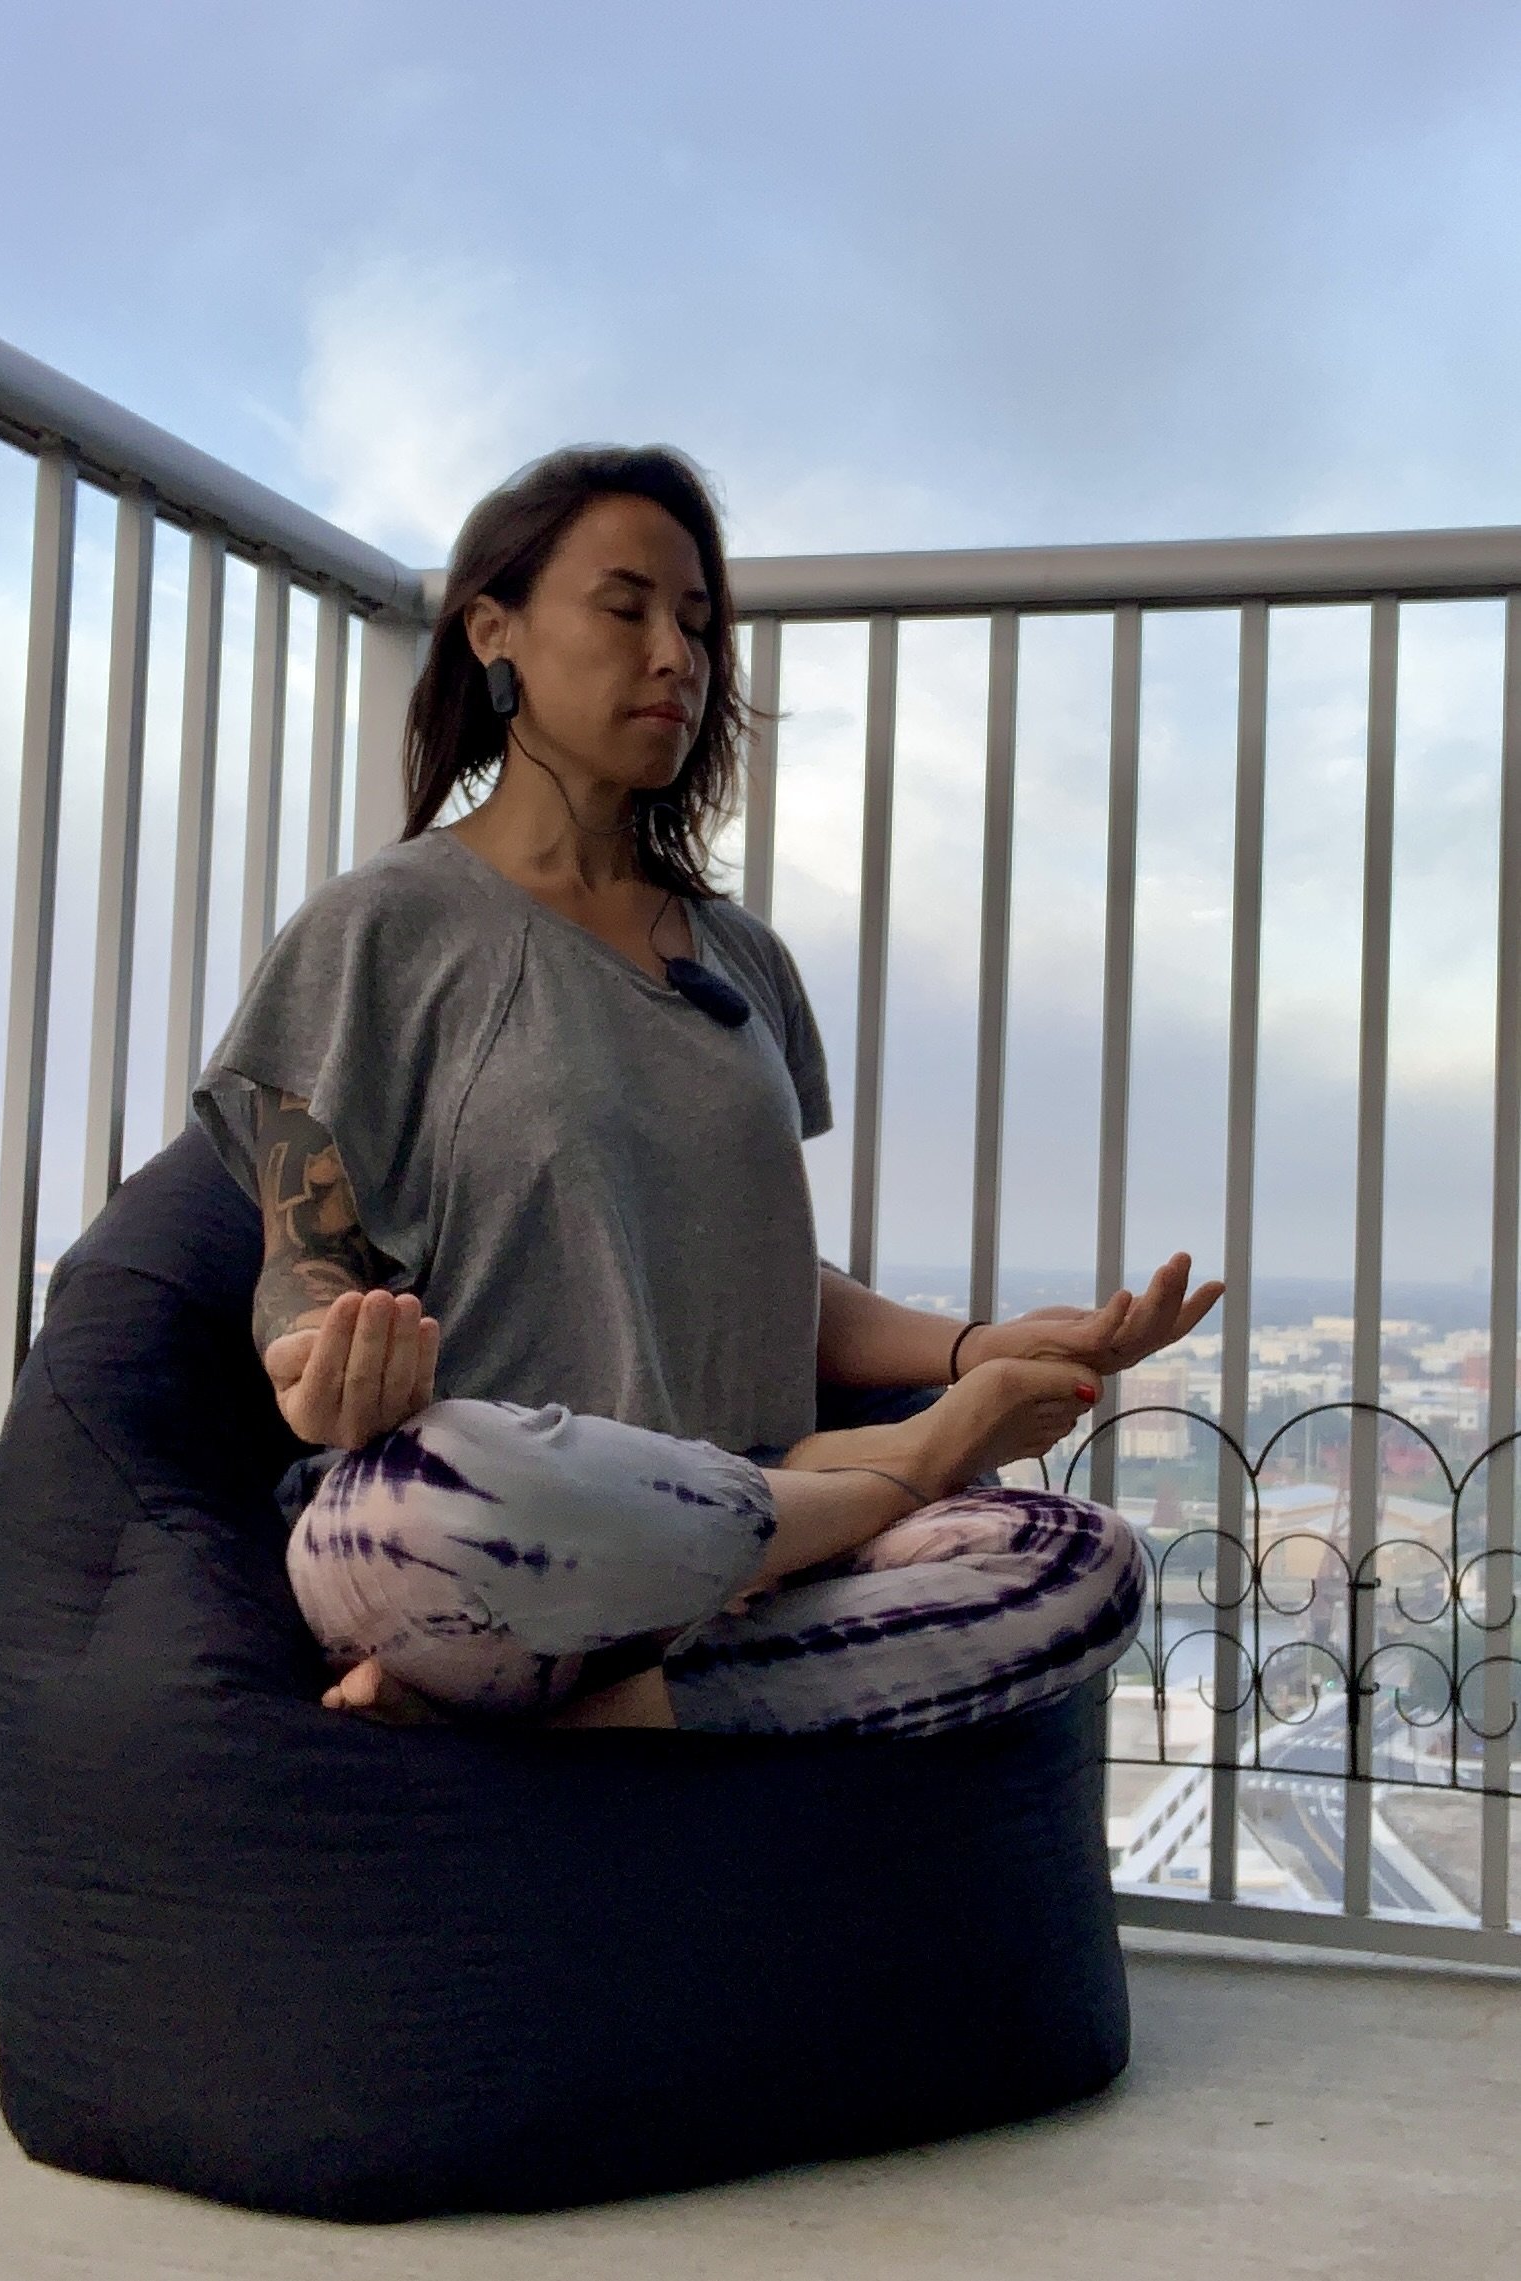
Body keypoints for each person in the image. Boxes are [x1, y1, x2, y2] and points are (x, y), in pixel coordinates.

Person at [194, 445, 1222, 1732]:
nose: (674, 657)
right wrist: (312, 1359)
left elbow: (756, 1277)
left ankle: (588, 1716)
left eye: (694, 624)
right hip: (494, 1521)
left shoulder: (744, 958)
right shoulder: (377, 929)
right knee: (450, 1485)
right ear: (492, 630)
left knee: (1078, 1564)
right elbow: (303, 1255)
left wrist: (977, 1346)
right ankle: (881, 1492)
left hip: (751, 1517)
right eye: (625, 609)